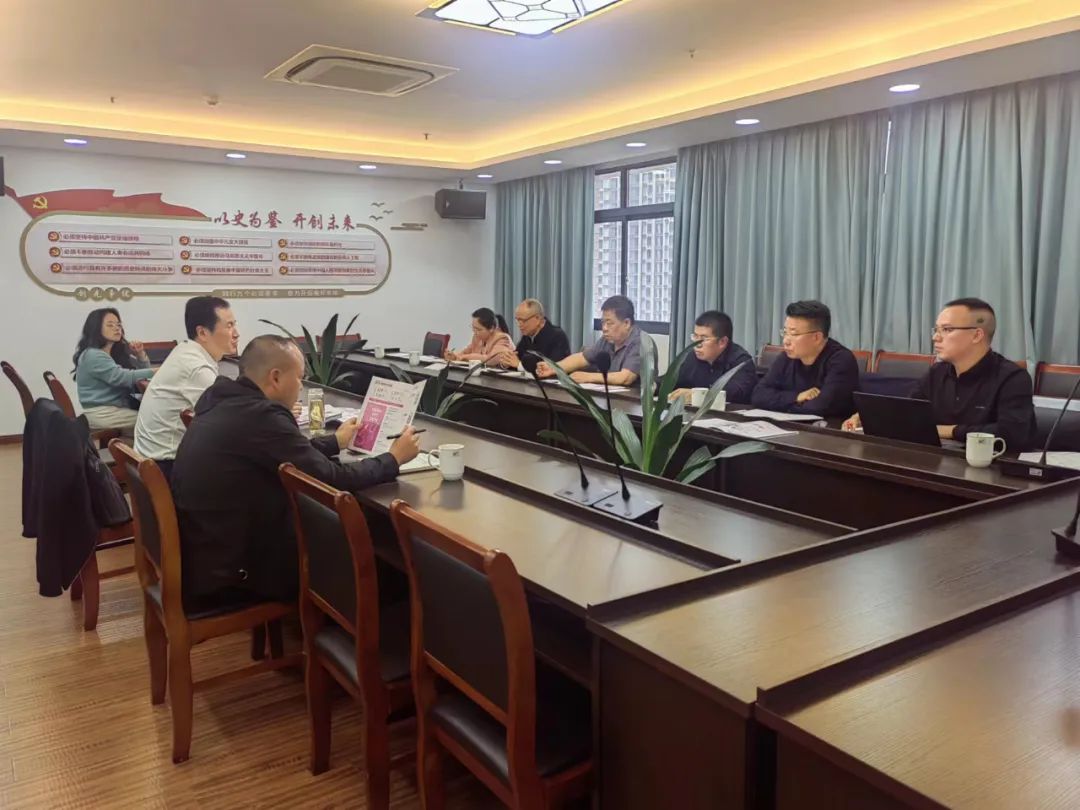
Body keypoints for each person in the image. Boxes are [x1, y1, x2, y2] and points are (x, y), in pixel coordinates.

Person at [170, 335, 421, 610]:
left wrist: (334, 442)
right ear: (275, 377)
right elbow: (331, 479)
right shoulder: (261, 415)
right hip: (234, 575)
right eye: (300, 378)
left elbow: (284, 451)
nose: (301, 386)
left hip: (206, 556)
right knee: (392, 571)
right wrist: (393, 458)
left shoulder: (226, 400)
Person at [843, 298, 1036, 450]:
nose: (936, 337)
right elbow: (910, 410)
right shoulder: (938, 372)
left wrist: (950, 431)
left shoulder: (1012, 378)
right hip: (937, 461)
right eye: (936, 330)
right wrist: (868, 416)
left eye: (947, 330)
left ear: (977, 335)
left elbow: (1012, 432)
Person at [133, 297, 239, 481]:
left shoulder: (185, 351)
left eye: (234, 325)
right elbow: (232, 421)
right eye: (229, 326)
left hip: (153, 461)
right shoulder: (196, 368)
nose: (236, 333)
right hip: (166, 468)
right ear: (202, 332)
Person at [751, 300, 859, 417]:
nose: (786, 341)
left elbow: (820, 407)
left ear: (816, 337)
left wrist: (781, 403)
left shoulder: (841, 360)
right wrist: (797, 397)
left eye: (794, 334)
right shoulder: (787, 357)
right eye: (785, 332)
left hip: (831, 427)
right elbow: (758, 395)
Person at [73, 307, 155, 435]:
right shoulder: (93, 355)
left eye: (118, 325)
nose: (117, 328)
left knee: (153, 416)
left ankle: (133, 444)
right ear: (96, 329)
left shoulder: (112, 353)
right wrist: (156, 371)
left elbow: (142, 375)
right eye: (110, 325)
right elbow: (122, 377)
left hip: (113, 410)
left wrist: (140, 354)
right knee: (155, 419)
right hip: (103, 413)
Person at [537, 295, 645, 386]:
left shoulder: (641, 342)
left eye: (609, 323)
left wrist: (588, 377)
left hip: (632, 402)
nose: (604, 328)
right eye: (603, 322)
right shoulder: (607, 340)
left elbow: (625, 378)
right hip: (610, 397)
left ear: (626, 323)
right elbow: (582, 358)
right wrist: (553, 368)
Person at [668, 310, 758, 404]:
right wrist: (658, 387)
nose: (697, 344)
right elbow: (672, 380)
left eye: (704, 339)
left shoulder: (741, 361)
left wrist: (696, 395)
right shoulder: (693, 357)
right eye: (695, 336)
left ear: (722, 342)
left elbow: (734, 393)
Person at [494, 298, 571, 373]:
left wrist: (519, 365)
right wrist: (506, 362)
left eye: (523, 320)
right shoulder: (527, 335)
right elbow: (516, 358)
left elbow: (553, 369)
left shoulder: (557, 336)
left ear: (537, 318)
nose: (519, 325)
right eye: (517, 320)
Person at [445, 308, 515, 366]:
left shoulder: (502, 338)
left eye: (478, 329)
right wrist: (454, 356)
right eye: (473, 328)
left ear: (491, 328)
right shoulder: (477, 337)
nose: (475, 332)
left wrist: (464, 357)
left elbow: (491, 360)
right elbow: (465, 352)